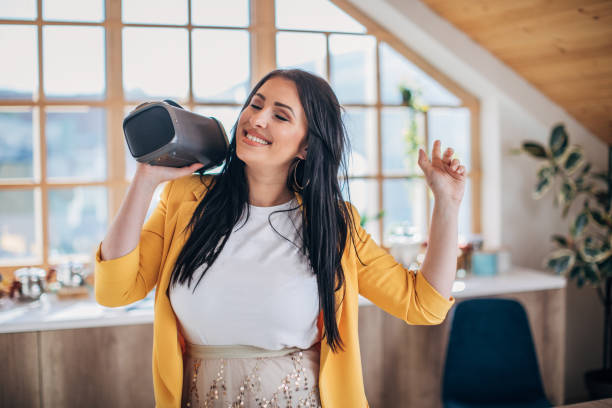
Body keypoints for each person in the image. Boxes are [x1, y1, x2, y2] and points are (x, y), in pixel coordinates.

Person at [94, 68, 465, 408]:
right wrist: (144, 181)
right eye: (255, 105)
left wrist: (447, 203)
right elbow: (114, 291)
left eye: (280, 115)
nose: (256, 119)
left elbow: (423, 305)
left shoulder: (333, 226)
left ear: (306, 146)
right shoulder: (185, 200)